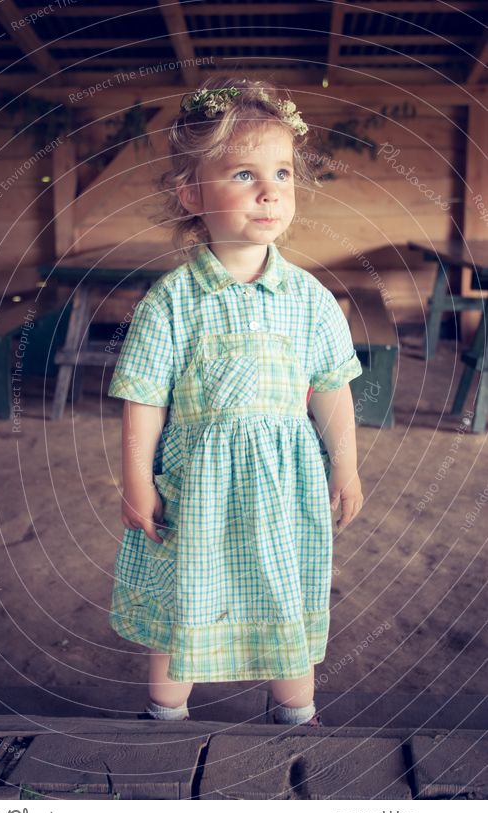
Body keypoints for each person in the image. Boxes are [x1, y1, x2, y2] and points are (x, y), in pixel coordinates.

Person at [107, 76, 364, 726]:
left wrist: (345, 465)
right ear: (191, 193)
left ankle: (295, 716)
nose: (270, 189)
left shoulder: (309, 298)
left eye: (281, 172)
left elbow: (331, 387)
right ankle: (165, 719)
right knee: (186, 592)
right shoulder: (171, 299)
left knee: (285, 590)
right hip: (199, 486)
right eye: (244, 173)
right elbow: (144, 397)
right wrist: (136, 477)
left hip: (285, 484)